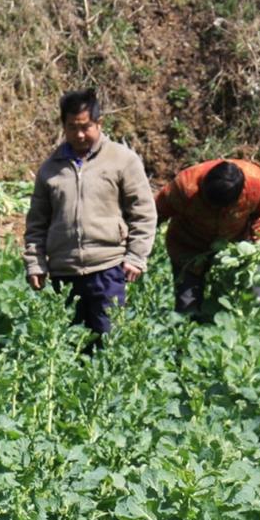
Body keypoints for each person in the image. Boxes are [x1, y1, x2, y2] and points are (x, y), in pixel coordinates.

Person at [23, 88, 156, 336]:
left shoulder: (122, 160)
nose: (80, 134)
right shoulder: (50, 169)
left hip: (108, 268)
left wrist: (136, 256)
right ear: (63, 126)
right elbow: (36, 223)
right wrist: (35, 263)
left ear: (99, 123)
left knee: (108, 340)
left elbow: (143, 212)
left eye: (86, 127)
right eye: (72, 127)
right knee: (70, 344)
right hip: (64, 272)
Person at [153, 157, 260, 316]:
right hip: (189, 245)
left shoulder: (256, 182)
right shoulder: (185, 186)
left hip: (236, 247)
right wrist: (138, 246)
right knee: (187, 304)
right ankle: (191, 327)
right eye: (212, 205)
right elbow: (155, 213)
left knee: (258, 297)